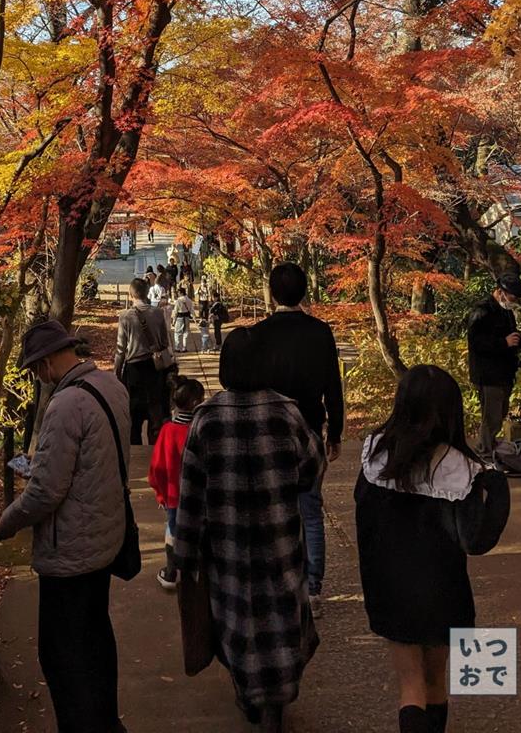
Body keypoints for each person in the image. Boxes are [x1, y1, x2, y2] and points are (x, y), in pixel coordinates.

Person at [175, 327, 324, 732]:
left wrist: (183, 554)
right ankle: (274, 700)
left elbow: (190, 498)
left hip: (228, 551)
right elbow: (313, 470)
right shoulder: (287, 413)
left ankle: (250, 694)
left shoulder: (206, 420)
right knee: (282, 623)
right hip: (280, 546)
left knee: (236, 625)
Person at [0, 319, 130, 733]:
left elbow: (47, 492)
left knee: (62, 655)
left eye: (37, 368)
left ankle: (82, 725)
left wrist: (7, 522)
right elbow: (92, 461)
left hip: (72, 549)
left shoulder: (66, 404)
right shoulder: (111, 387)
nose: (38, 376)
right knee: (96, 640)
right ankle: (106, 722)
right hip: (106, 535)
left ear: (50, 360)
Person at [355, 364, 510, 733]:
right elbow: (476, 541)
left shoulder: (376, 456)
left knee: (410, 685)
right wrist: (498, 491)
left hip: (390, 589)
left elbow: (364, 523)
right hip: (444, 593)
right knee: (437, 681)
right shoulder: (463, 470)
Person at [249, 262, 344, 618]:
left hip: (268, 433)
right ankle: (313, 588)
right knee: (310, 509)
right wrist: (334, 432)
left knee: (271, 510)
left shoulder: (258, 334)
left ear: (272, 292)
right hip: (309, 430)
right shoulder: (320, 333)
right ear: (304, 292)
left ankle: (277, 582)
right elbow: (333, 387)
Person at [147, 375, 205, 590]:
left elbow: (156, 468)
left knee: (173, 530)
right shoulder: (201, 430)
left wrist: (160, 493)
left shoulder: (167, 431)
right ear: (196, 403)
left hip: (172, 495)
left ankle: (173, 571)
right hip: (199, 496)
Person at [467, 271, 521, 459]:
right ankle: (484, 452)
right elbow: (475, 342)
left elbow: (512, 334)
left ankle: (489, 445)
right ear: (500, 292)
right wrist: (504, 343)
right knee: (491, 416)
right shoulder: (481, 310)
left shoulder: (506, 311)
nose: (514, 300)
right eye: (512, 296)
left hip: (504, 372)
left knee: (499, 413)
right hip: (488, 374)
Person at [114, 278, 170, 444]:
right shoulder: (158, 313)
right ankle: (154, 450)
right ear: (147, 293)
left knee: (134, 415)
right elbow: (165, 343)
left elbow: (120, 349)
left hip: (134, 370)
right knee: (156, 411)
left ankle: (136, 450)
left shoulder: (125, 316)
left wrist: (117, 372)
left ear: (130, 294)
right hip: (155, 368)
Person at [171, 288, 195, 353]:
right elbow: (192, 310)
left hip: (179, 318)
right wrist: (194, 318)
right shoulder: (189, 300)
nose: (178, 294)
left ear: (181, 293)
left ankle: (177, 347)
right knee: (186, 333)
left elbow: (175, 311)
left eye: (178, 293)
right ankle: (184, 347)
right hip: (186, 317)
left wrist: (173, 321)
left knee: (177, 333)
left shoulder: (178, 301)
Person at [209, 287, 226, 351]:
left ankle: (218, 344)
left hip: (218, 319)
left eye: (213, 297)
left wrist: (212, 315)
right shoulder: (217, 304)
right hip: (217, 319)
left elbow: (215, 312)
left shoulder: (218, 304)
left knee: (217, 332)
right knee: (217, 332)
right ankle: (218, 344)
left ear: (216, 297)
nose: (212, 298)